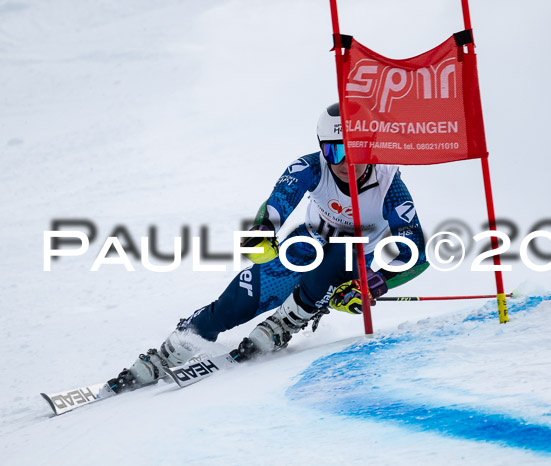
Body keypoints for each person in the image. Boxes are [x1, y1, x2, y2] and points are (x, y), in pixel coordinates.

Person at [109, 103, 428, 392]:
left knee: (346, 247)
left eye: (354, 151)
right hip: (306, 245)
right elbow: (277, 205)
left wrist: (378, 280)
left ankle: (286, 322)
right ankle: (171, 351)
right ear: (322, 150)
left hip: (350, 264)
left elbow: (416, 253)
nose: (345, 163)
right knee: (236, 304)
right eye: (335, 153)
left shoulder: (390, 185)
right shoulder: (310, 168)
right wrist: (264, 229)